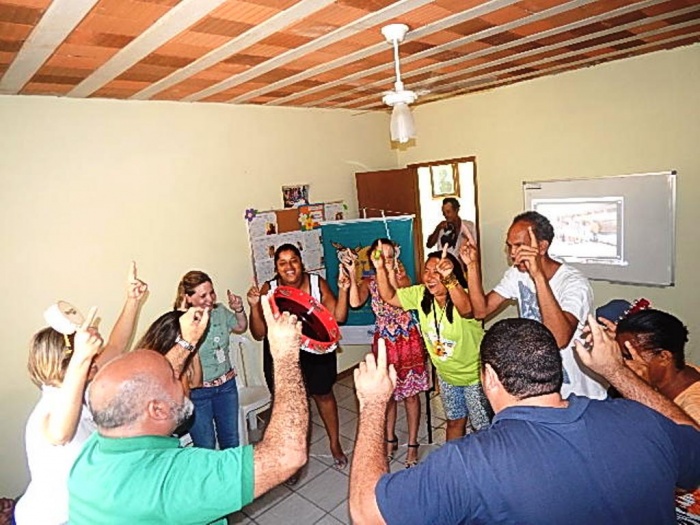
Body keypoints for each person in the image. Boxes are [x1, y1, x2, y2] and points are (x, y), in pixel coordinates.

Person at [349, 317, 700, 525]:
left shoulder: (469, 463)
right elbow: (692, 448)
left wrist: (374, 404)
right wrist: (615, 370)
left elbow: (366, 513)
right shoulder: (642, 420)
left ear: (489, 378)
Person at [68, 295, 309, 524]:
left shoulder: (93, 453)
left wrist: (188, 341)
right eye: (175, 378)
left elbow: (155, 385)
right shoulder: (174, 481)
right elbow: (287, 455)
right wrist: (285, 355)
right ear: (157, 410)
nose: (183, 380)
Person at [14, 263, 148, 525]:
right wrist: (81, 358)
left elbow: (116, 346)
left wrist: (132, 300)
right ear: (67, 365)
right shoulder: (50, 407)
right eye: (90, 359)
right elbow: (60, 433)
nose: (97, 361)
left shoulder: (83, 385)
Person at [462, 210, 607, 399]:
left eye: (519, 246)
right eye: (510, 246)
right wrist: (472, 266)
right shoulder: (516, 274)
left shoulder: (574, 283)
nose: (513, 254)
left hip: (578, 392)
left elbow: (559, 339)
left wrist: (538, 275)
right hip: (542, 387)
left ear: (542, 247)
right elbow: (481, 311)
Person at [372, 243, 490, 441]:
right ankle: (452, 458)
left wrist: (449, 279)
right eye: (426, 271)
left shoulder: (464, 295)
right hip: (447, 376)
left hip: (475, 377)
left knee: (482, 429)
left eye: (437, 271)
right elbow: (389, 296)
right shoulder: (420, 295)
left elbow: (467, 310)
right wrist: (380, 269)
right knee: (454, 422)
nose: (429, 277)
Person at [248, 243, 350, 469]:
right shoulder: (270, 289)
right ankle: (291, 455)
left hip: (315, 351)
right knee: (288, 403)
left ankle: (335, 444)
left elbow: (338, 317)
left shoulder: (316, 283)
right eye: (282, 263)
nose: (289, 267)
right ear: (276, 268)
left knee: (324, 395)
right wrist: (255, 306)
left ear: (301, 262)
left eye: (293, 260)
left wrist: (343, 290)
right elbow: (258, 333)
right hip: (282, 353)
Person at [344, 238, 428, 467]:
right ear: (372, 258)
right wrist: (352, 274)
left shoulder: (402, 277)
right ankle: (390, 439)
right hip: (384, 342)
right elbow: (354, 302)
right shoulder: (368, 281)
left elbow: (395, 293)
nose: (386, 259)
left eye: (390, 255)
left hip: (407, 339)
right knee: (387, 394)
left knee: (411, 395)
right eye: (380, 255)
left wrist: (390, 271)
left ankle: (413, 444)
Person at [612, 309, 700, 523]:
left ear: (664, 357)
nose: (622, 363)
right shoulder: (673, 375)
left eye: (629, 356)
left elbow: (678, 475)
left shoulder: (694, 408)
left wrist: (636, 388)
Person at [174, 270, 248, 449]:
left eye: (212, 292)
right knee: (205, 445)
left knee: (231, 440)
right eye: (203, 295)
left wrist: (238, 309)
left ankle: (230, 469)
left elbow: (240, 326)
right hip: (198, 393)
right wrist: (182, 319)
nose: (210, 299)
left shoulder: (220, 311)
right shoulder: (182, 322)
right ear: (188, 298)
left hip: (226, 386)